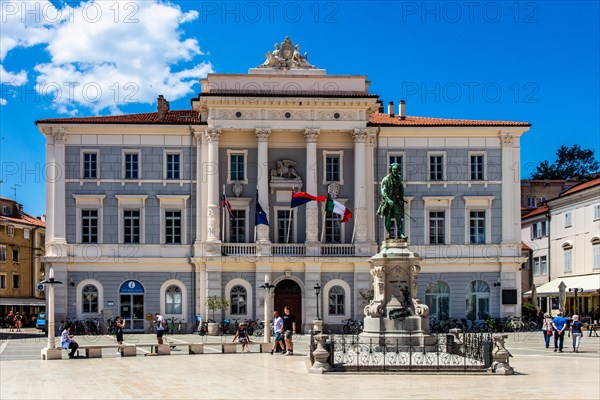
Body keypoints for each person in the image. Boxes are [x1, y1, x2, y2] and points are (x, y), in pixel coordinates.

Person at [377, 163, 406, 239]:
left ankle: (400, 233)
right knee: (388, 217)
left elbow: (401, 189)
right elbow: (383, 191)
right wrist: (388, 200)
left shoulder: (399, 178)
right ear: (391, 170)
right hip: (388, 201)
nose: (395, 171)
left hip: (396, 200)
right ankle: (388, 233)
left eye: (396, 170)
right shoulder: (386, 179)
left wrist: (402, 199)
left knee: (398, 217)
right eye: (394, 169)